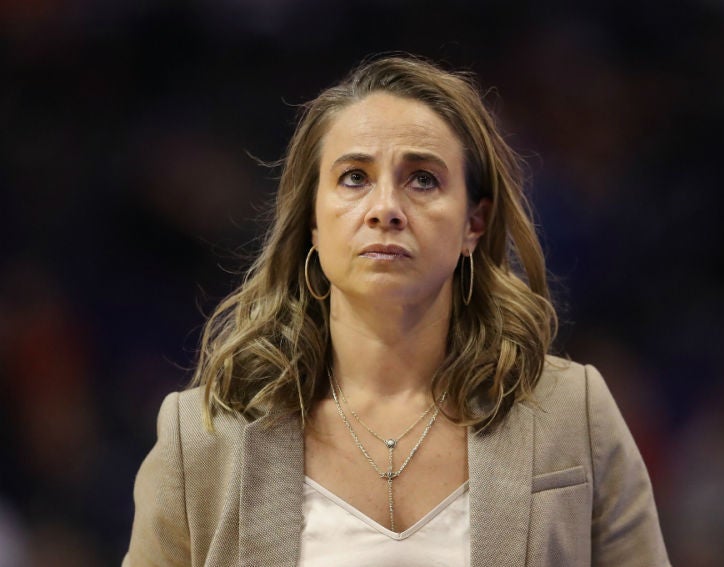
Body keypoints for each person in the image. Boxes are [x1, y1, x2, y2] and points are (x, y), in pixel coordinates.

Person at [123, 54, 669, 567]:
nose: (385, 209)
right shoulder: (203, 437)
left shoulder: (573, 413)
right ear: (313, 219)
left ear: (473, 225)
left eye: (423, 179)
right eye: (354, 177)